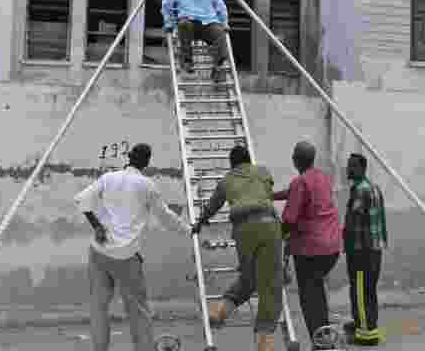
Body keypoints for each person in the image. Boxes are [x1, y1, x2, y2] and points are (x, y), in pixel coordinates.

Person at [74, 143, 192, 351]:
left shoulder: (108, 178)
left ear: (128, 157)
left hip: (99, 252)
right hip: (126, 256)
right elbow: (166, 217)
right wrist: (189, 229)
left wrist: (97, 227)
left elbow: (82, 200)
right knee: (138, 311)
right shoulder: (147, 185)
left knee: (98, 308)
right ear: (147, 162)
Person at [192, 145, 283, 351]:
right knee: (270, 285)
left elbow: (213, 205)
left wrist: (200, 222)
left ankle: (220, 310)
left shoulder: (226, 180)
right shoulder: (263, 172)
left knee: (249, 278)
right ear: (249, 160)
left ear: (232, 164)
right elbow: (267, 193)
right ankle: (264, 343)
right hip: (268, 226)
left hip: (243, 230)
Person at [272, 141, 342, 348]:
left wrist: (277, 241)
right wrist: (273, 196)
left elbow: (289, 220)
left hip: (310, 250)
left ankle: (320, 343)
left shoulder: (299, 183)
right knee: (317, 291)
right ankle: (324, 336)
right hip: (331, 247)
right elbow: (295, 191)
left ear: (295, 160)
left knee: (309, 298)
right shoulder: (322, 178)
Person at [342, 152, 387, 346]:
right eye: (348, 165)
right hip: (375, 250)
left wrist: (347, 246)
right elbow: (382, 221)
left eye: (352, 166)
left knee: (359, 291)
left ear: (362, 168)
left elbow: (353, 222)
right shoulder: (375, 188)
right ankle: (369, 324)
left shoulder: (359, 190)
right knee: (369, 290)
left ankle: (365, 334)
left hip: (361, 251)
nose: (348, 169)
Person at [161, 0, 230, 82]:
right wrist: (169, 24)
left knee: (220, 32)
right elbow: (166, 5)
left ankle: (217, 68)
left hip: (209, 24)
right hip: (189, 25)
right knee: (184, 24)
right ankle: (187, 62)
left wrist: (224, 23)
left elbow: (221, 7)